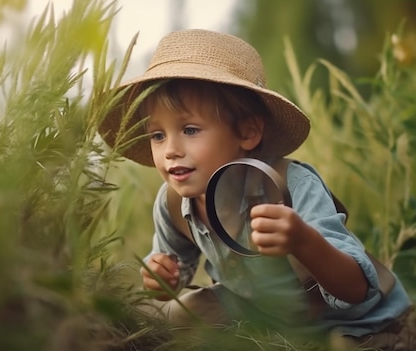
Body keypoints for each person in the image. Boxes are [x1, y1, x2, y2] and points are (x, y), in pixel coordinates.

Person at [98, 29, 415, 350]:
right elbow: (170, 272)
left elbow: (357, 289)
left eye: (190, 129)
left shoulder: (294, 185)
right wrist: (160, 278)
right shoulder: (173, 202)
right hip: (263, 312)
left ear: (248, 131)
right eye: (157, 135)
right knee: (168, 315)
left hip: (355, 324)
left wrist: (303, 241)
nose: (170, 150)